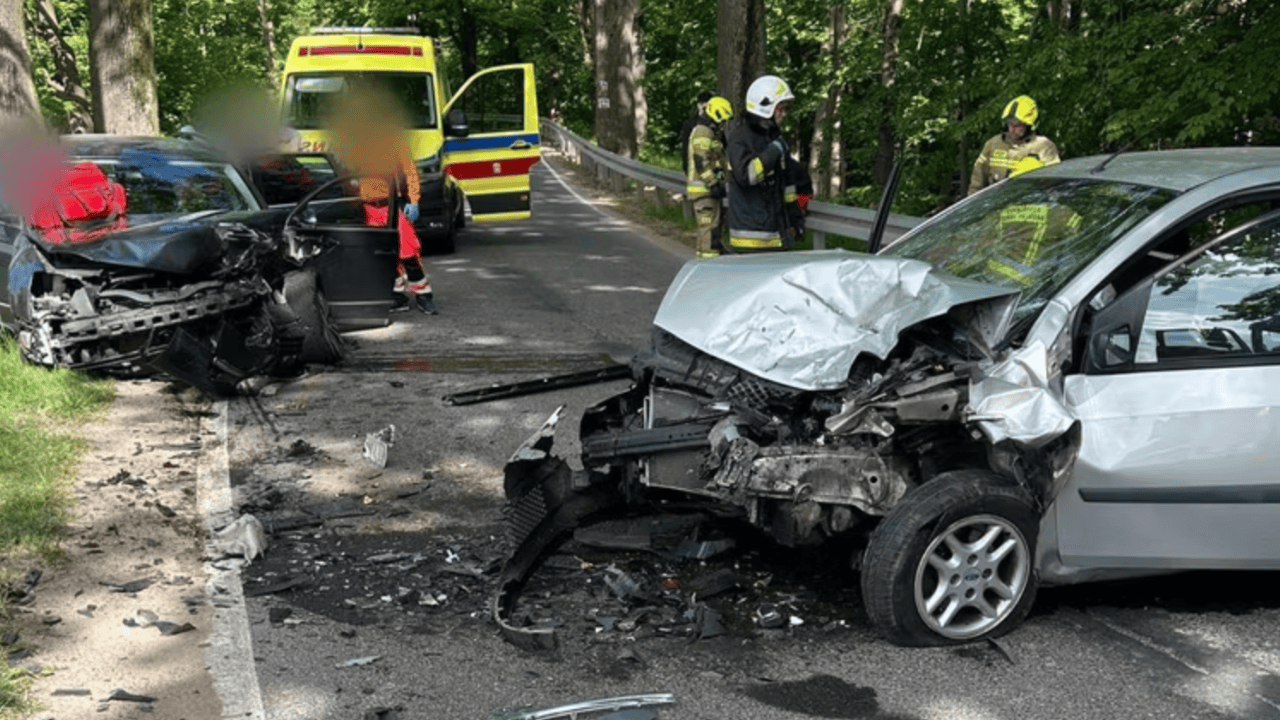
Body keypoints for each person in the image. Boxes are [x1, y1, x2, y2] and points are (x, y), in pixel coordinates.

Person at [331, 82, 438, 314]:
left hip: (391, 205)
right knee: (381, 255)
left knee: (408, 250)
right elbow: (345, 174)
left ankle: (423, 294)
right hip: (366, 207)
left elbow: (409, 171)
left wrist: (413, 200)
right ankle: (396, 295)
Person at [725, 75, 801, 253]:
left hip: (777, 235)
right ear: (766, 107)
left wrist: (794, 220)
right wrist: (774, 151)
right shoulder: (739, 138)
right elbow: (747, 175)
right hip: (751, 239)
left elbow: (786, 185)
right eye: (781, 108)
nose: (784, 114)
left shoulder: (774, 138)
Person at [967, 95, 1060, 196]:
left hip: (1034, 204)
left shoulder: (1044, 146)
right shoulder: (993, 144)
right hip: (998, 205)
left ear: (1029, 126)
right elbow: (977, 184)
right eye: (1009, 124)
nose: (1012, 129)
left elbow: (1055, 182)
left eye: (1017, 125)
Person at [686, 95, 733, 259]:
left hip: (705, 192)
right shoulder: (703, 132)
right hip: (704, 191)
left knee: (707, 231)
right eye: (722, 119)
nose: (723, 124)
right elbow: (701, 162)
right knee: (709, 233)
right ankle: (709, 267)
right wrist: (713, 183)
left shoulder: (709, 132)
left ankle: (703, 261)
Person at [679, 91, 714, 174]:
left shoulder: (715, 123)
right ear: (699, 105)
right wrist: (687, 167)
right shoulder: (690, 124)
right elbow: (685, 147)